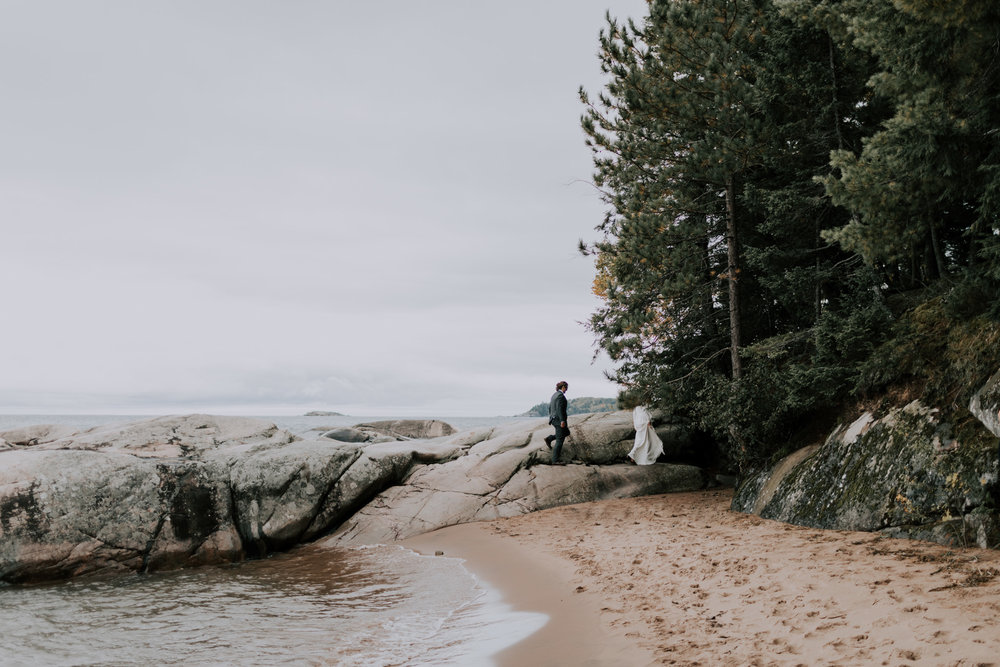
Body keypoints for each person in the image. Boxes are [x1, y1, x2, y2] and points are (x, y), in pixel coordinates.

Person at [544, 381, 569, 464]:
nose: (566, 390)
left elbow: (550, 407)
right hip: (559, 420)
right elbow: (559, 409)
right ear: (563, 387)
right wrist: (562, 420)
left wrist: (551, 417)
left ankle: (549, 438)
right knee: (559, 440)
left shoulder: (554, 395)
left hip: (554, 419)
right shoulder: (560, 396)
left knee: (566, 432)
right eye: (566, 388)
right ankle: (555, 460)